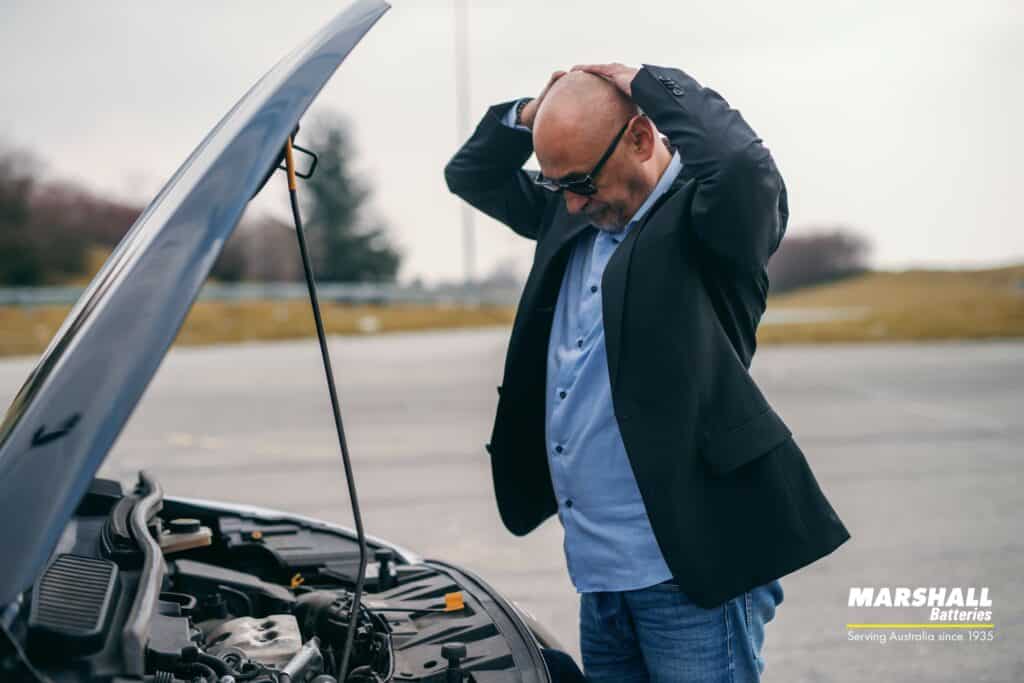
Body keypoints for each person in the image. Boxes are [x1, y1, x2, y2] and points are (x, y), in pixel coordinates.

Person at [444, 62, 850, 682]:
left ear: (639, 138)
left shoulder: (712, 222)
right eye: (558, 187)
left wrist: (649, 83)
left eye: (580, 180)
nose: (573, 201)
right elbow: (469, 173)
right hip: (600, 575)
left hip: (689, 571)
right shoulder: (574, 210)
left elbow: (741, 163)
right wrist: (533, 111)